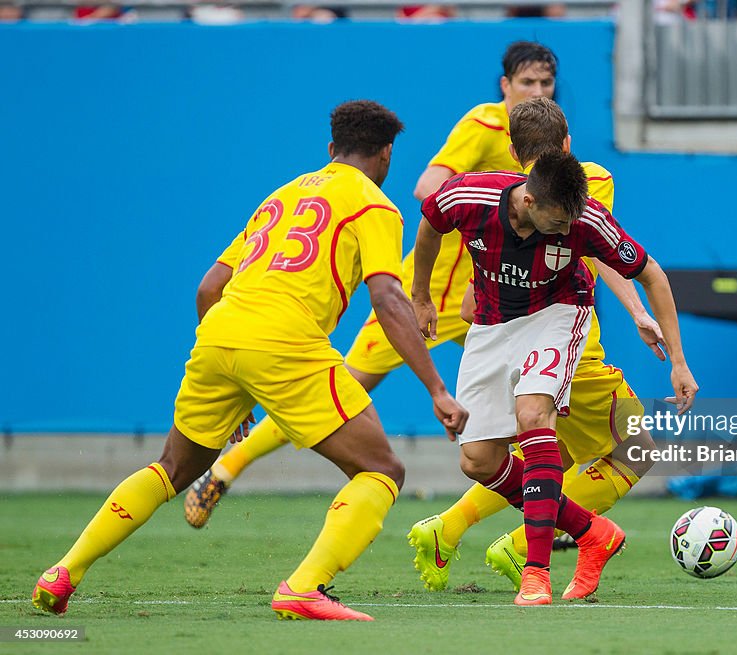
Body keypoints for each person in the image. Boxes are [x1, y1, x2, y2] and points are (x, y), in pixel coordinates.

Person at [32, 100, 468, 621]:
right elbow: (388, 300)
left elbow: (209, 287)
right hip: (285, 337)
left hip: (219, 331)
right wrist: (437, 389)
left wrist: (235, 378)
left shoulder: (279, 198)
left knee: (172, 468)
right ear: (387, 155)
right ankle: (305, 587)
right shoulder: (375, 206)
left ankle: (63, 572)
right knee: (381, 468)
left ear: (331, 150)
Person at [182, 41, 560, 527]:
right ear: (506, 86)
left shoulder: (543, 134)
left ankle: (547, 512)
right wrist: (486, 208)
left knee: (538, 397)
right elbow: (428, 187)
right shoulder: (484, 125)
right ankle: (226, 468)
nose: (537, 91)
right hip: (430, 292)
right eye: (527, 83)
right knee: (346, 386)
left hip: (489, 294)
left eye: (546, 83)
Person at [413, 147, 699, 606]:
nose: (568, 230)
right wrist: (421, 295)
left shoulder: (585, 220)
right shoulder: (468, 196)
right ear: (528, 201)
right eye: (558, 221)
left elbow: (653, 275)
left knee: (535, 416)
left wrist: (679, 361)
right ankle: (590, 530)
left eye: (572, 220)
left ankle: (536, 574)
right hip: (491, 326)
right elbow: (429, 224)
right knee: (478, 460)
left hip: (558, 316)